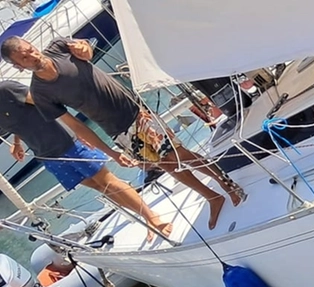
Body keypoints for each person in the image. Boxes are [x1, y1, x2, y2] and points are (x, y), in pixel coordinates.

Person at [1, 36, 245, 229]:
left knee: (177, 154)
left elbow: (85, 49)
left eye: (30, 48)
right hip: (116, 130)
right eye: (24, 57)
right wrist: (112, 152)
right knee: (167, 165)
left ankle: (228, 185)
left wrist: (85, 49)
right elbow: (77, 126)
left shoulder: (58, 47)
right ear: (18, 65)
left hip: (134, 110)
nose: (32, 55)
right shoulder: (41, 92)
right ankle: (212, 196)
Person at [0, 79, 173, 238]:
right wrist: (17, 143)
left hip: (67, 143)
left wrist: (77, 131)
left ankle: (152, 218)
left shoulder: (6, 89)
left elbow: (44, 103)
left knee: (108, 182)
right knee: (100, 187)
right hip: (47, 156)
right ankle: (145, 217)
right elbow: (17, 122)